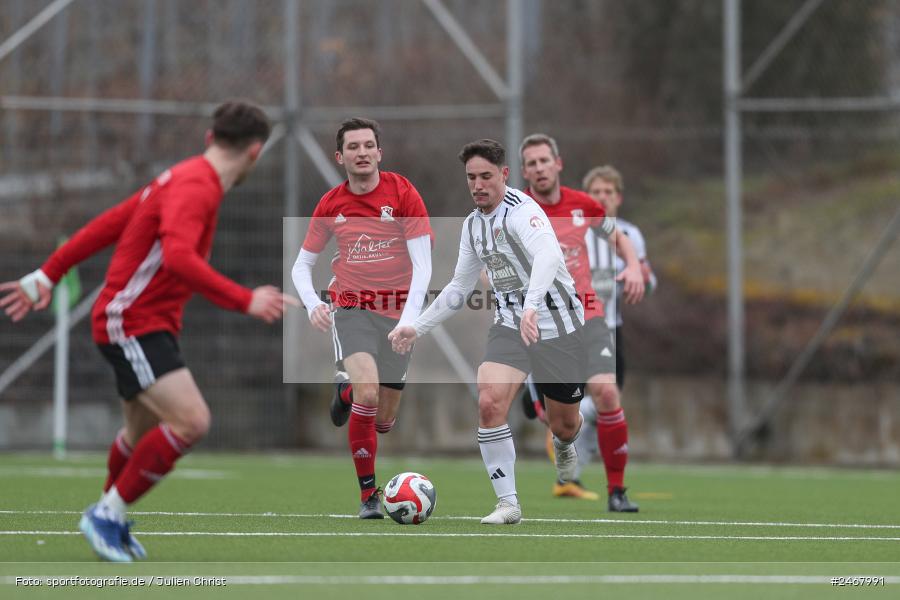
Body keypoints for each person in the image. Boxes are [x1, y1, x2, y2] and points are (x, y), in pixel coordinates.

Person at [0, 100, 295, 562]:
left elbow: (112, 222)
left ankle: (108, 517)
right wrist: (246, 299)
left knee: (140, 436)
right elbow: (179, 257)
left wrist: (47, 274)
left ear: (209, 138)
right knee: (192, 421)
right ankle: (105, 514)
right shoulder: (197, 187)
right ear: (255, 152)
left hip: (141, 321)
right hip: (132, 322)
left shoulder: (182, 176)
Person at [390, 139, 642, 525]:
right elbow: (459, 288)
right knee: (489, 400)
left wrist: (532, 304)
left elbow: (548, 255)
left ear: (504, 176)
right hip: (510, 325)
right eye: (471, 177)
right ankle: (508, 504)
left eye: (486, 176)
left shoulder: (524, 212)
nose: (478, 185)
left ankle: (563, 442)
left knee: (566, 424)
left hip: (559, 325)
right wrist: (415, 327)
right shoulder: (473, 225)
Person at [291, 117, 433, 519]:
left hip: (399, 316)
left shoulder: (403, 193)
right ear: (341, 157)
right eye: (353, 147)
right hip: (351, 308)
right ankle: (368, 495)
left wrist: (410, 321)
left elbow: (423, 267)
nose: (362, 152)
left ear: (379, 153)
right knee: (369, 394)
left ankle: (346, 393)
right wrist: (314, 303)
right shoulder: (331, 204)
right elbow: (301, 266)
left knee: (383, 420)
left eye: (368, 145)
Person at [519, 135, 645, 512]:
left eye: (545, 160)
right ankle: (540, 405)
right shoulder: (516, 210)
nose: (539, 168)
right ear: (524, 172)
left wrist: (635, 265)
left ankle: (617, 491)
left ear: (558, 163)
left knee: (607, 394)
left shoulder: (582, 204)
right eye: (532, 163)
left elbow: (617, 236)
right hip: (544, 324)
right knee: (564, 427)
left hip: (589, 316)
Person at [575, 164, 657, 501]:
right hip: (572, 332)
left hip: (611, 329)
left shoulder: (630, 235)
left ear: (618, 198)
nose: (603, 198)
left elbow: (648, 280)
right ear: (585, 197)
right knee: (599, 402)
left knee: (603, 404)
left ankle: (574, 474)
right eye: (596, 192)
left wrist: (641, 281)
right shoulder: (574, 232)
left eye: (609, 192)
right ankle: (591, 483)